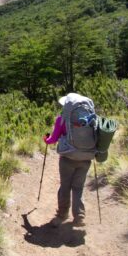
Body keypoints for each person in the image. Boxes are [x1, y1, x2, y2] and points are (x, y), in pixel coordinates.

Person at [43, 93, 98, 228]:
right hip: (86, 158)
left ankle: (62, 215)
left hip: (67, 159)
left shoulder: (61, 120)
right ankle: (79, 217)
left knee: (65, 187)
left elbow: (53, 140)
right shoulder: (89, 120)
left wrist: (46, 139)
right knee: (78, 188)